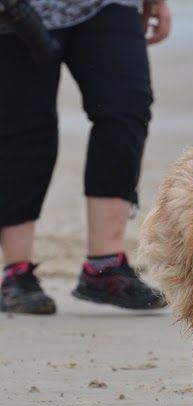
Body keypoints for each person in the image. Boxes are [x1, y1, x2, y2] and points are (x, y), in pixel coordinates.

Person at [0, 0, 171, 314]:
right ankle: (16, 272)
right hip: (17, 10)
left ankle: (104, 268)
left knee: (125, 108)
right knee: (25, 129)